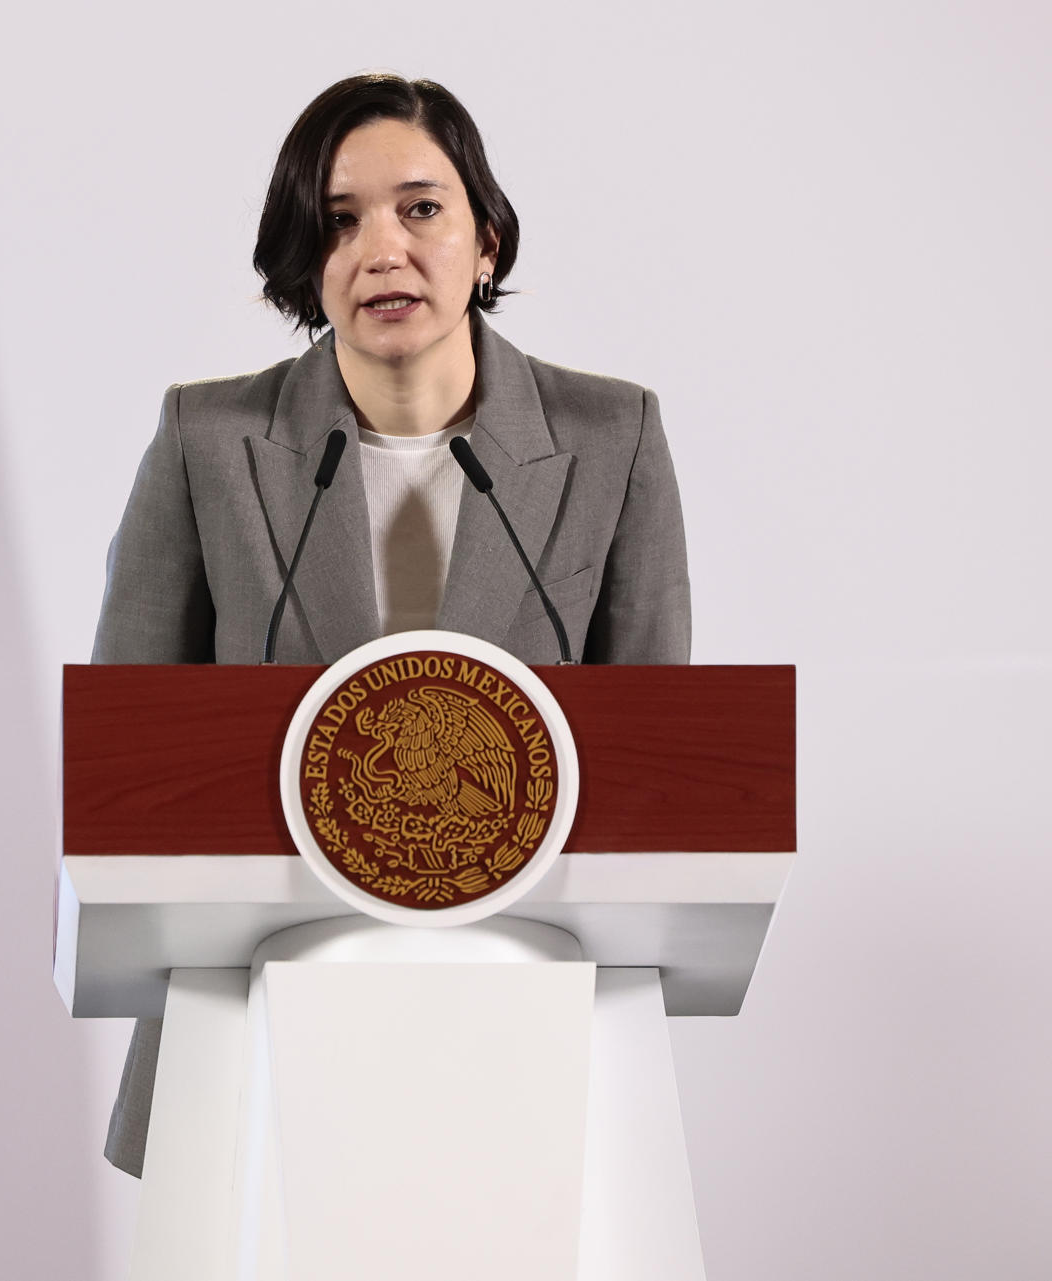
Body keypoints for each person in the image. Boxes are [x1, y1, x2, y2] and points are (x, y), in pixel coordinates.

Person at [92, 74, 691, 1176]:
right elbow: (129, 757)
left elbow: (655, 777)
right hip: (255, 1012)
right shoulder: (207, 440)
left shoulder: (614, 437)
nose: (382, 248)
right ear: (305, 262)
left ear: (488, 242)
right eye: (339, 219)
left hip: (523, 1022)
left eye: (421, 208)